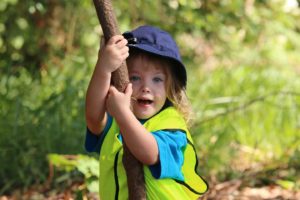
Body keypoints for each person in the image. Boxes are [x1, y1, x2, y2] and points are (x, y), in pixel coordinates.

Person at [85, 25, 208, 199]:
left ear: (170, 88)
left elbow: (150, 154)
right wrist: (103, 69)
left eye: (157, 79)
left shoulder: (172, 128)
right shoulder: (116, 122)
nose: (146, 88)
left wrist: (123, 114)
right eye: (135, 78)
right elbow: (93, 119)